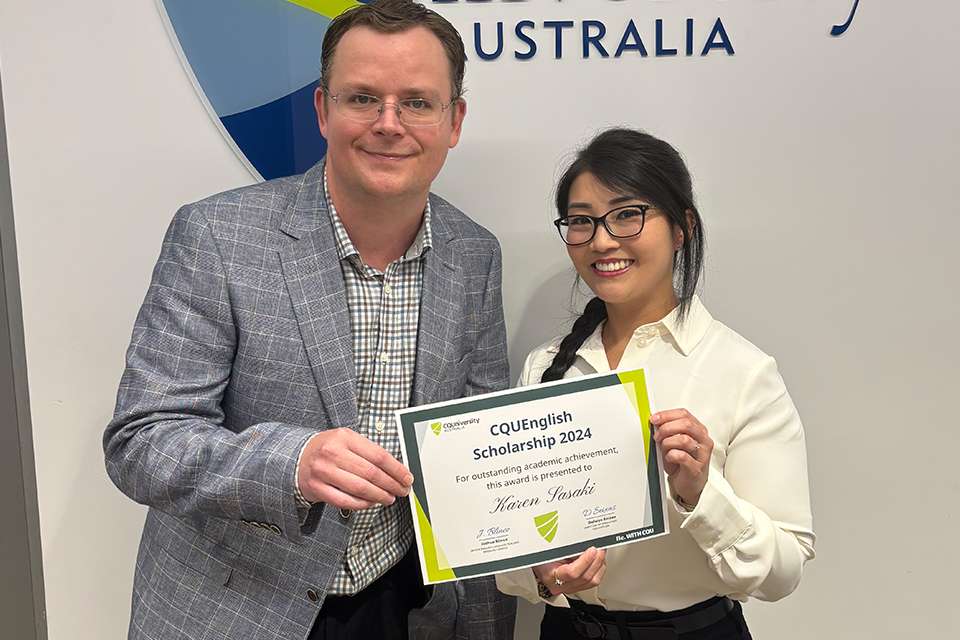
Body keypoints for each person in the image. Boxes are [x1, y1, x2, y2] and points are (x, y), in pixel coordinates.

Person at [103, 1, 515, 639]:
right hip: (238, 608)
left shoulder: (474, 254)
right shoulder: (217, 235)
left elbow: (481, 438)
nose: (388, 124)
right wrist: (291, 463)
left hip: (400, 601)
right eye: (362, 98)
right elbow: (141, 443)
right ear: (323, 110)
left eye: (417, 102)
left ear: (453, 120)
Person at [496, 128, 815, 639]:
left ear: (682, 226)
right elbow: (507, 544)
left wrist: (701, 493)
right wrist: (544, 576)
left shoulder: (743, 370)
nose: (602, 240)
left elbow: (782, 574)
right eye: (582, 221)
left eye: (627, 214)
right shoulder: (545, 366)